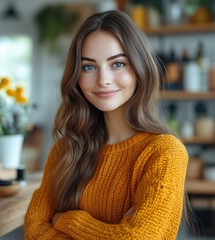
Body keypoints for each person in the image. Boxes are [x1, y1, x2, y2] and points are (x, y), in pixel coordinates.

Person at [25, 9, 188, 239]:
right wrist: (113, 232)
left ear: (139, 68)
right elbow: (33, 231)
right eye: (89, 67)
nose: (103, 80)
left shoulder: (164, 153)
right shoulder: (65, 150)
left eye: (118, 64)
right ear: (76, 76)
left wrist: (69, 220)